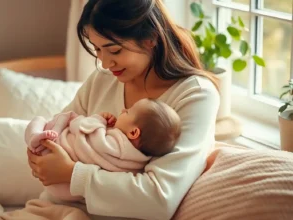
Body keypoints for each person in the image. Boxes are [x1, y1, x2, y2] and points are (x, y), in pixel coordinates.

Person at [27, 0, 220, 219]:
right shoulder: (102, 80)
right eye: (97, 49)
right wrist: (40, 152)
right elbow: (56, 132)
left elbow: (160, 198)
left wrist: (71, 174)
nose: (106, 63)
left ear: (151, 39)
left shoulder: (195, 95)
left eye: (115, 51)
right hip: (49, 210)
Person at [25, 98, 181, 202]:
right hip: (69, 192)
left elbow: (85, 129)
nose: (123, 110)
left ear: (133, 133)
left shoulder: (114, 143)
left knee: (40, 120)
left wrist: (99, 119)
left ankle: (35, 137)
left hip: (55, 152)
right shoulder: (137, 162)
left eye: (128, 111)